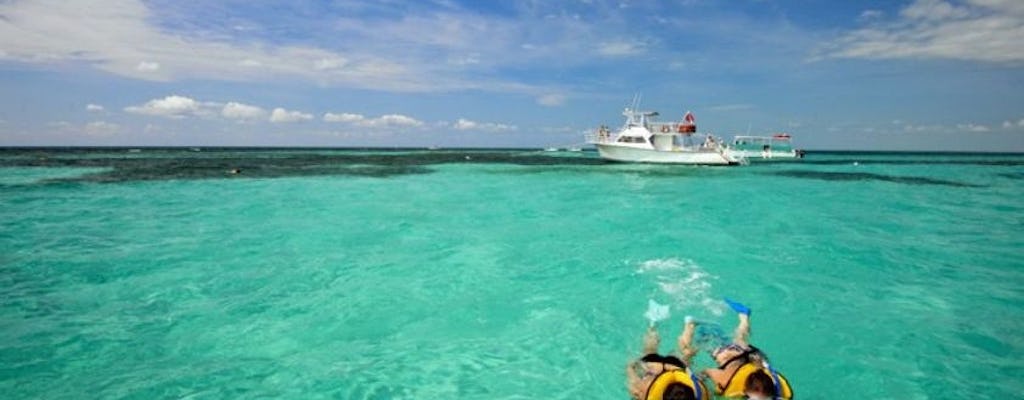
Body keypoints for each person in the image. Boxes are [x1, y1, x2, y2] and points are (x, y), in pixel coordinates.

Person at [702, 298, 793, 399]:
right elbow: (706, 371)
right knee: (714, 349)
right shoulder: (725, 380)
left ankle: (744, 316)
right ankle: (741, 318)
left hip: (756, 356)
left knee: (740, 341)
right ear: (744, 391)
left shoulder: (780, 393)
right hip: (735, 357)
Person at [626, 317, 709, 400]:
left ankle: (689, 325)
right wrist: (630, 369)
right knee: (635, 389)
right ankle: (653, 325)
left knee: (686, 355)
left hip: (673, 365)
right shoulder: (646, 393)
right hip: (657, 367)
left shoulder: (700, 393)